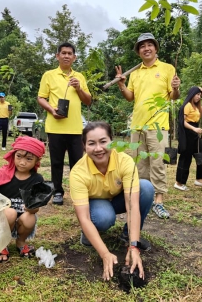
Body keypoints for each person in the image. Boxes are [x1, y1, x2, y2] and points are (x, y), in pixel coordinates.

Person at [69, 122, 153, 281]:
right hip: (95, 205)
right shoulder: (78, 173)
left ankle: (127, 236)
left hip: (116, 199)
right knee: (103, 217)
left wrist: (133, 246)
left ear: (112, 142)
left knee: (146, 188)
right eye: (91, 143)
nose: (98, 148)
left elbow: (133, 205)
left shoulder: (125, 161)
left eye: (103, 141)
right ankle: (89, 235)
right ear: (84, 146)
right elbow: (83, 217)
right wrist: (105, 254)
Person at [115, 32, 181, 219]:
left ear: (156, 48)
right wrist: (122, 84)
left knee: (158, 162)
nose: (146, 48)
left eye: (149, 45)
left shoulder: (168, 69)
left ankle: (158, 201)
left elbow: (174, 97)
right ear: (139, 52)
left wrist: (176, 88)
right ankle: (144, 198)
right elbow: (130, 97)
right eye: (142, 46)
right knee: (140, 164)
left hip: (158, 126)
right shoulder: (135, 73)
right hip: (137, 125)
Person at [0, 136, 46, 262]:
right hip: (2, 219)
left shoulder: (37, 180)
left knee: (29, 218)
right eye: (19, 156)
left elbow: (35, 208)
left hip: (22, 218)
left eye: (28, 159)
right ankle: (1, 244)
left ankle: (20, 242)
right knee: (10, 212)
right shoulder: (3, 174)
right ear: (13, 155)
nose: (22, 162)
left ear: (37, 160)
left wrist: (31, 209)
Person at [38, 42, 92, 205]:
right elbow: (41, 98)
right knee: (56, 162)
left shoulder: (79, 77)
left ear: (74, 57)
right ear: (57, 56)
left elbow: (88, 101)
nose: (66, 56)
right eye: (63, 53)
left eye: (70, 53)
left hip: (76, 128)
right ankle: (58, 192)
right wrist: (51, 110)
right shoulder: (49, 75)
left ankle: (78, 192)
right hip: (55, 127)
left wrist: (79, 88)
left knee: (77, 162)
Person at [175, 86, 202, 191]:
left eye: (200, 95)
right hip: (187, 134)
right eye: (197, 94)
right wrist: (194, 129)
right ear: (192, 94)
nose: (198, 97)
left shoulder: (197, 108)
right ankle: (179, 182)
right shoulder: (187, 106)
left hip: (195, 135)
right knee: (186, 158)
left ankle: (199, 179)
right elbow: (182, 121)